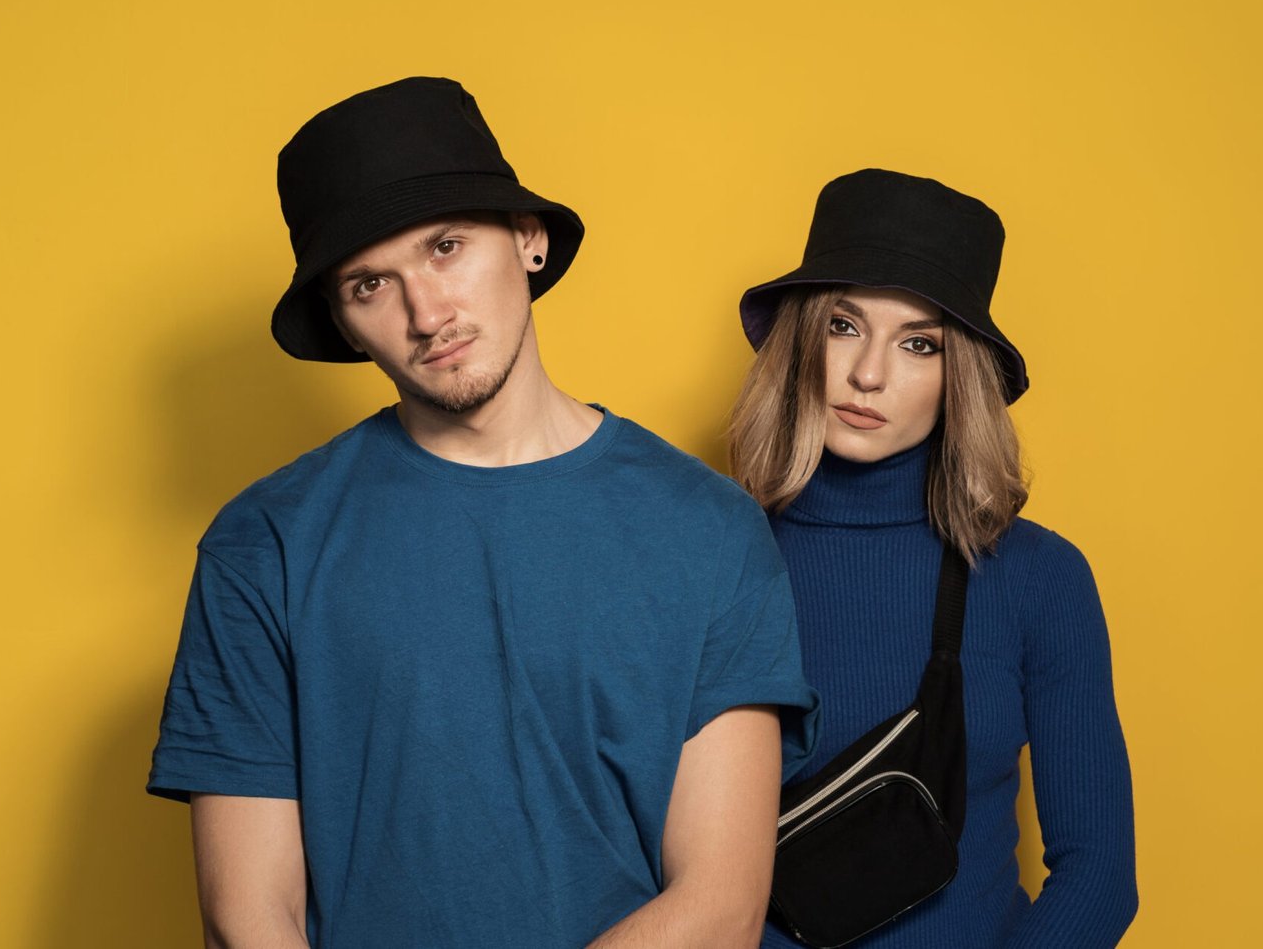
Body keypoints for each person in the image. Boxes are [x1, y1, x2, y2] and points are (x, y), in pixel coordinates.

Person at [147, 77, 818, 949]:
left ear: (528, 239)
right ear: (343, 323)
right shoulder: (264, 543)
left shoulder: (709, 528)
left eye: (446, 247)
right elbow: (247, 917)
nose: (427, 313)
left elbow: (720, 905)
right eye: (370, 284)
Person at [729, 169, 1137, 948]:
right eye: (843, 326)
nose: (869, 374)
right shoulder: (709, 560)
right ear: (801, 338)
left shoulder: (1038, 578)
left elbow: (1099, 876)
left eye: (919, 344)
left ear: (961, 378)